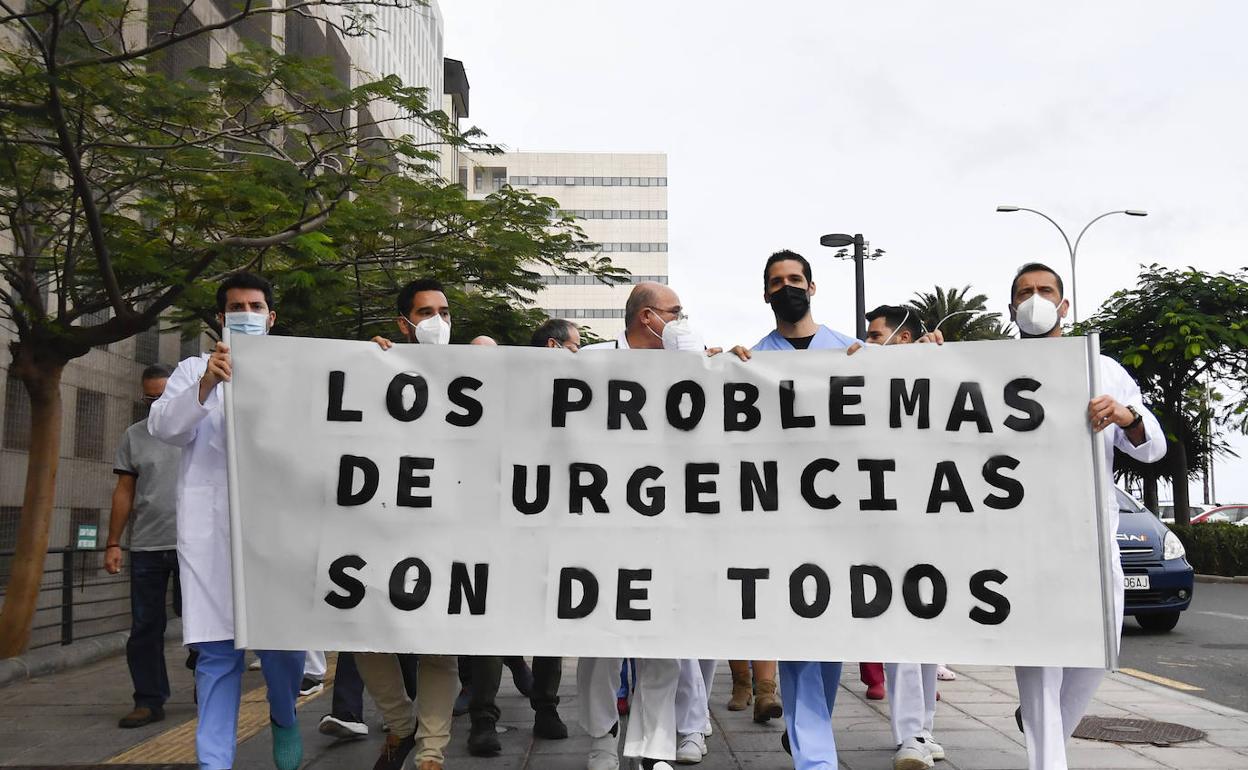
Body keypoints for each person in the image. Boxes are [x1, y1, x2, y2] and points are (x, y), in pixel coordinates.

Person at [1005, 263, 1165, 770]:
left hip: (1092, 545)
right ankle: (1046, 756)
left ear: (1064, 305)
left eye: (1045, 290)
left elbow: (1152, 449)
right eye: (1025, 293)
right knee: (1038, 671)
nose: (1036, 299)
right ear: (1011, 309)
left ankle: (1041, 723)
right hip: (1020, 547)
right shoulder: (989, 367)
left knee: (1096, 654)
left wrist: (1126, 416)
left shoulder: (1105, 369)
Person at [148, 272, 305, 770]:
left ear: (272, 316)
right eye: (237, 306)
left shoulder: (299, 366)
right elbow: (165, 428)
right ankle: (213, 761)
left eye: (256, 306)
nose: (247, 314)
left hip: (279, 531)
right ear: (221, 318)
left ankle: (284, 716)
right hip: (212, 534)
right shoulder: (194, 369)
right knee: (217, 653)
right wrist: (208, 382)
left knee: (282, 646)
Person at [579, 282, 717, 770]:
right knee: (600, 642)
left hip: (669, 524)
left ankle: (654, 745)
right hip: (603, 523)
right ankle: (601, 739)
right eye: (675, 313)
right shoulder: (592, 360)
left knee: (666, 640)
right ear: (646, 317)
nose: (681, 321)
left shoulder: (694, 363)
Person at [731, 250, 859, 770]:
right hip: (784, 521)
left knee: (831, 645)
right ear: (765, 293)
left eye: (795, 279)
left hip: (845, 520)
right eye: (777, 281)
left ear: (812, 286)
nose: (787, 287)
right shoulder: (753, 359)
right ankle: (816, 757)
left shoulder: (851, 352)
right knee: (800, 636)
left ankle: (810, 729)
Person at [359, 277, 465, 770]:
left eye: (444, 311)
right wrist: (368, 367)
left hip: (446, 532)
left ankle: (431, 752)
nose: (438, 322)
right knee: (360, 633)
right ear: (404, 324)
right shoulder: (378, 367)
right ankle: (401, 725)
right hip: (383, 529)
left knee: (439, 649)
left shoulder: (476, 373)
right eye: (426, 313)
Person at [857, 304, 947, 770]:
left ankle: (923, 728)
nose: (869, 343)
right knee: (900, 628)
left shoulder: (936, 375)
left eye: (876, 336)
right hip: (885, 524)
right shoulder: (863, 379)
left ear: (905, 340)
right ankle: (909, 732)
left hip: (929, 521)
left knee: (929, 628)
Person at [105, 364, 184, 729]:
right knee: (144, 627)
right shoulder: (135, 435)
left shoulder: (200, 427)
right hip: (148, 545)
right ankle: (149, 700)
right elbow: (124, 491)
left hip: (196, 546)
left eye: (164, 395)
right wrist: (113, 543)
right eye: (149, 397)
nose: (156, 403)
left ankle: (213, 692)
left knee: (208, 627)